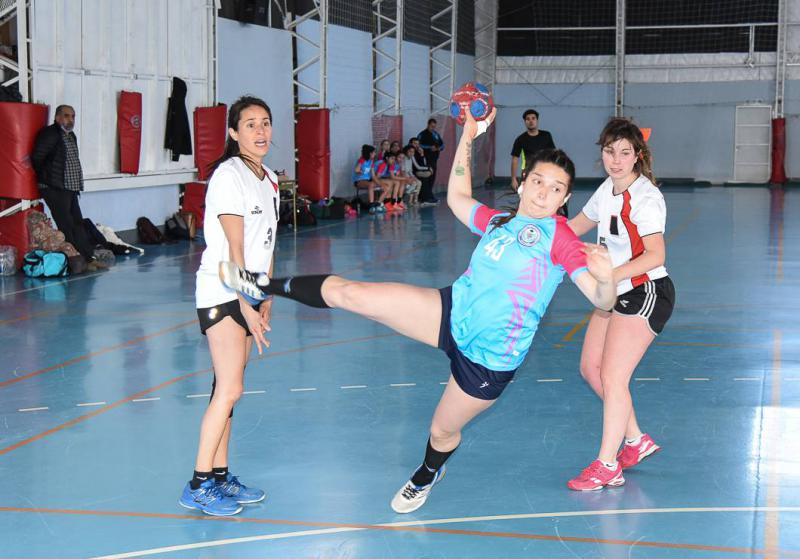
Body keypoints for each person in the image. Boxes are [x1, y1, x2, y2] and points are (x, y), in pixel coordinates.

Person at [219, 109, 617, 514]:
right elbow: (459, 196)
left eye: (555, 189)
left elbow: (602, 302)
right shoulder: (500, 221)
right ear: (523, 181)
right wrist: (468, 135)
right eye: (537, 181)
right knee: (353, 294)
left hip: (488, 360)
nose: (543, 193)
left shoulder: (562, 239)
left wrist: (606, 280)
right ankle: (260, 284)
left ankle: (427, 474)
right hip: (449, 312)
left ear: (566, 198)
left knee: (442, 432)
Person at [179, 96, 279, 516]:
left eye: (266, 123)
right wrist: (245, 302)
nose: (260, 131)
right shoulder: (228, 175)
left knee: (228, 391)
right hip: (222, 292)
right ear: (234, 133)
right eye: (250, 124)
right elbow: (234, 250)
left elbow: (268, 243)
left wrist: (266, 295)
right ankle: (198, 484)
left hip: (249, 293)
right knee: (230, 388)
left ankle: (221, 477)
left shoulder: (270, 178)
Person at [566, 117, 675, 491]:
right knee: (590, 368)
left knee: (614, 377)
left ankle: (607, 464)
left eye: (624, 152)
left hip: (646, 292)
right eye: (609, 152)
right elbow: (575, 226)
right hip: (613, 290)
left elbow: (655, 255)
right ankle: (635, 440)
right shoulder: (606, 190)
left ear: (637, 155)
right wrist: (531, 225)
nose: (616, 160)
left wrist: (610, 274)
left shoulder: (645, 197)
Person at [31, 105, 106, 271]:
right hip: (55, 187)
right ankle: (75, 261)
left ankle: (88, 258)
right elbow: (37, 158)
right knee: (66, 224)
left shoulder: (71, 135)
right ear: (57, 117)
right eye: (66, 116)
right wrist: (48, 179)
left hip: (70, 187)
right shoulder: (49, 134)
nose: (70, 120)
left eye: (73, 116)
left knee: (77, 223)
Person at [510, 109, 555, 191]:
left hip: (546, 173)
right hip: (528, 174)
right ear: (525, 122)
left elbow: (554, 154)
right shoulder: (520, 139)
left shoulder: (546, 135)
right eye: (528, 119)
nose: (531, 121)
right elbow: (515, 159)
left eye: (533, 118)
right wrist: (513, 179)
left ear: (537, 120)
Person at [352, 144, 387, 213]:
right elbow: (356, 169)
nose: (375, 154)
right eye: (374, 152)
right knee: (371, 185)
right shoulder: (362, 160)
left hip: (367, 181)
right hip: (359, 181)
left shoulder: (371, 162)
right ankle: (371, 206)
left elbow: (373, 176)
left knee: (386, 187)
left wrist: (381, 184)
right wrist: (360, 171)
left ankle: (378, 204)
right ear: (370, 153)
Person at [417, 118, 445, 194]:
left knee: (432, 176)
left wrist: (438, 148)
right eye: (431, 126)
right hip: (425, 159)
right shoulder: (422, 134)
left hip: (434, 159)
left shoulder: (436, 134)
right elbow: (418, 145)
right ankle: (424, 194)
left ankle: (429, 193)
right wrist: (429, 147)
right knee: (427, 176)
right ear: (428, 125)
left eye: (434, 127)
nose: (433, 128)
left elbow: (442, 145)